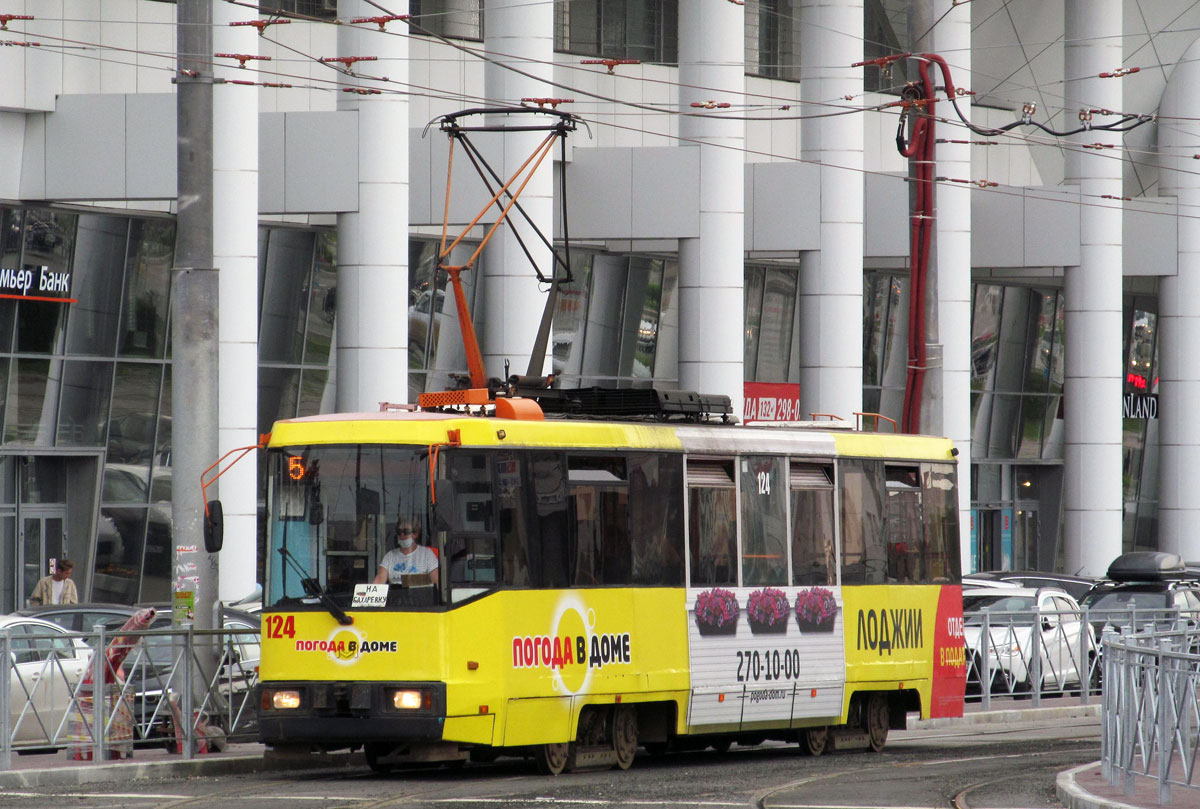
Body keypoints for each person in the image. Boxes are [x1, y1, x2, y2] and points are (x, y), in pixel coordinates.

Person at [374, 521, 438, 586]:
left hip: (420, 591)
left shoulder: (427, 554)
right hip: (396, 592)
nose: (402, 535)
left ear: (415, 534)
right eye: (399, 532)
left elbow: (436, 580)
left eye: (406, 532)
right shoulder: (389, 556)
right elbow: (379, 579)